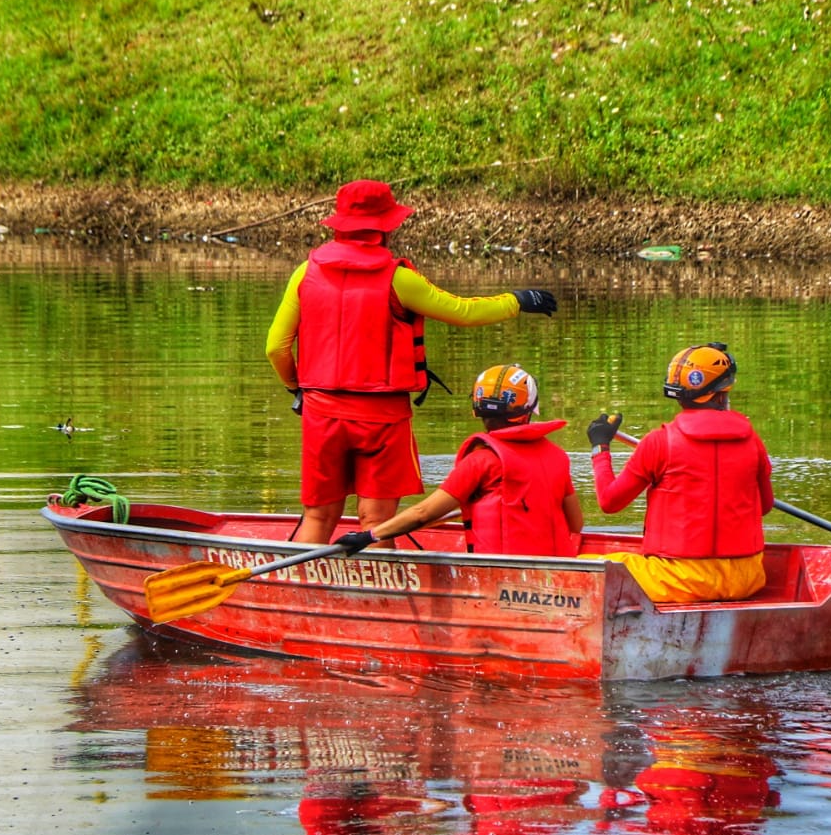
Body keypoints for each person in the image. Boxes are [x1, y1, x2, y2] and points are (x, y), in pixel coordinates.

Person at [266, 180, 559, 546]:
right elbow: (463, 312)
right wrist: (517, 300)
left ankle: (298, 592)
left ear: (338, 224)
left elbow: (276, 347)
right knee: (377, 521)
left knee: (319, 515)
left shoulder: (304, 273)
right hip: (382, 418)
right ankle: (385, 598)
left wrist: (297, 389)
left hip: (321, 413)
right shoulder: (398, 279)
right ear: (386, 228)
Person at [584, 343, 773, 602]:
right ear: (722, 393)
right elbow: (764, 506)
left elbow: (609, 501)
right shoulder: (752, 440)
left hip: (681, 581)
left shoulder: (659, 442)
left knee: (583, 565)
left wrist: (600, 447)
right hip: (747, 578)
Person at [336, 363, 583, 558]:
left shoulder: (481, 461)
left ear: (476, 408)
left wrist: (368, 536)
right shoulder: (558, 457)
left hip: (503, 578)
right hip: (558, 571)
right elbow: (576, 524)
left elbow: (423, 514)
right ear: (528, 409)